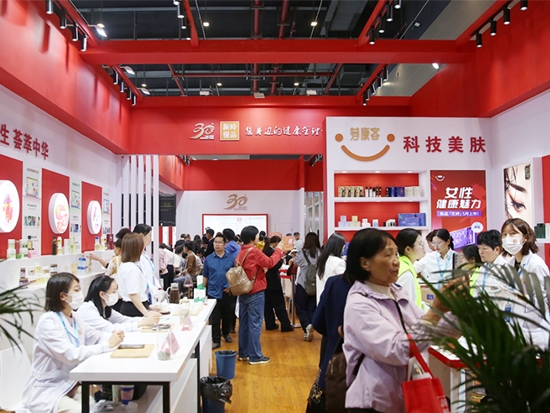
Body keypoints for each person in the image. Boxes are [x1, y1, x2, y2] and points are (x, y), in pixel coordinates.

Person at [342, 228, 459, 413]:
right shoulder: (359, 303)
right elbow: (396, 349)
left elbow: (437, 333)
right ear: (365, 263)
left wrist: (460, 310)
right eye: (388, 255)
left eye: (396, 254)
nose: (396, 261)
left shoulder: (397, 292)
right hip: (375, 404)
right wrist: (434, 313)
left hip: (406, 397)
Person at [19, 273, 124, 413]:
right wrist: (107, 345)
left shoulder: (74, 317)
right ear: (62, 296)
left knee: (95, 407)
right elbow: (71, 355)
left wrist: (114, 336)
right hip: (48, 389)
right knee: (83, 410)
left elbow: (96, 336)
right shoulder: (48, 322)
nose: (80, 293)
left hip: (69, 385)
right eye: (76, 290)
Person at [237, 225, 284, 365]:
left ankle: (244, 353)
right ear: (252, 238)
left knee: (244, 323)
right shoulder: (254, 251)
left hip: (243, 290)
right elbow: (270, 263)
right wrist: (279, 250)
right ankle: (255, 356)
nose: (259, 237)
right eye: (257, 235)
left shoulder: (241, 251)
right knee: (255, 324)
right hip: (255, 290)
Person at [501, 217, 549, 348]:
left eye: (513, 233)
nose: (508, 238)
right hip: (515, 326)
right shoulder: (510, 264)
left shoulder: (535, 264)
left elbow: (545, 299)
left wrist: (520, 296)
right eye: (504, 234)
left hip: (534, 330)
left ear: (525, 238)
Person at [311, 274, 352, 392]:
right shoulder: (391, 291)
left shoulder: (335, 283)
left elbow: (318, 321)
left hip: (334, 367)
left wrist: (333, 333)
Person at [78, 275, 159, 332]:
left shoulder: (105, 308)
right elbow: (110, 328)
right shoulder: (88, 310)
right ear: (102, 294)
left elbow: (123, 320)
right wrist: (141, 323)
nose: (116, 294)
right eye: (113, 292)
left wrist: (147, 319)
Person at [203, 233, 235, 349]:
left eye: (220, 242)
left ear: (224, 244)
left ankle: (226, 333)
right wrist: (202, 291)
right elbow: (205, 276)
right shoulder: (208, 259)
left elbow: (235, 275)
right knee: (214, 318)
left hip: (226, 292)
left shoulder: (231, 259)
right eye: (215, 242)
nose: (217, 244)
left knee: (227, 316)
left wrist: (231, 286)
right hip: (213, 292)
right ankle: (216, 340)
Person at [118, 233, 159, 317]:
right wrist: (147, 313)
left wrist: (148, 306)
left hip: (137, 306)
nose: (143, 249)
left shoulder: (130, 265)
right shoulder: (130, 268)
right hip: (133, 310)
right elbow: (133, 295)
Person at [263, 235, 294, 332]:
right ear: (277, 243)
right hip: (273, 281)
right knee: (279, 304)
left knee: (267, 304)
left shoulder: (264, 250)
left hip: (265, 281)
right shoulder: (272, 252)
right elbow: (274, 266)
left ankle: (270, 324)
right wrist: (281, 259)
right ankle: (285, 325)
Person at [294, 232, 321, 341]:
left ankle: (306, 326)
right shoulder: (321, 253)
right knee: (311, 307)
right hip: (316, 285)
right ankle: (310, 325)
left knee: (300, 307)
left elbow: (295, 263)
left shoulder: (302, 253)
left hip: (303, 284)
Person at [395, 228, 426, 309]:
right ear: (408, 249)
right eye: (420, 244)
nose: (423, 247)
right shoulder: (406, 274)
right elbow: (406, 308)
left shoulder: (403, 264)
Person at [133, 224, 163, 299]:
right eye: (149, 235)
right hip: (144, 296)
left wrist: (158, 287)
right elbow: (144, 279)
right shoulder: (136, 256)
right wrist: (156, 293)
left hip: (152, 294)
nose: (151, 238)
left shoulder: (144, 254)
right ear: (141, 236)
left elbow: (151, 275)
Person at [316, 232, 346, 304]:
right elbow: (345, 283)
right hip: (333, 302)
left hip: (321, 300)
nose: (343, 249)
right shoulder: (339, 262)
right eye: (343, 247)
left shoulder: (321, 260)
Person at [223, 228, 240, 333]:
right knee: (234, 301)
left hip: (227, 276)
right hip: (237, 275)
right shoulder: (239, 247)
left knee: (227, 303)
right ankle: (232, 326)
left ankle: (227, 325)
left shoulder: (226, 248)